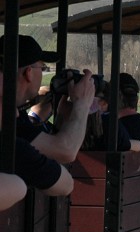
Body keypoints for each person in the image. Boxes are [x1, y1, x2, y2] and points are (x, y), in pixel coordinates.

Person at [3, 34, 95, 166]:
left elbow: (47, 149)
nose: (42, 73)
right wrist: (82, 104)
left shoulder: (17, 113)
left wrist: (61, 119)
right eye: (42, 68)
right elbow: (66, 152)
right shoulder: (10, 118)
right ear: (29, 73)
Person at [0, 67, 73, 199]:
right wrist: (82, 104)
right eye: (4, 102)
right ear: (28, 72)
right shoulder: (10, 146)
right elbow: (66, 155)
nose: (17, 113)